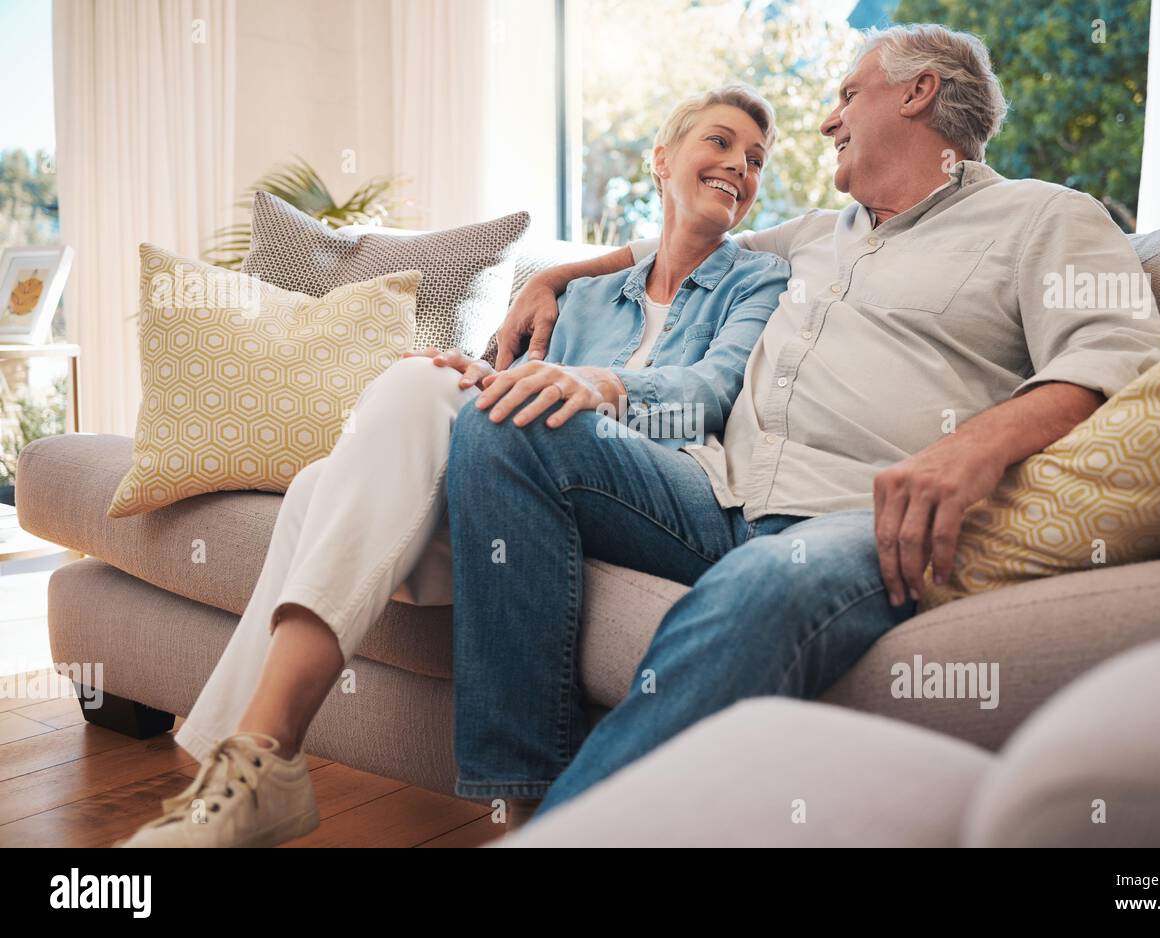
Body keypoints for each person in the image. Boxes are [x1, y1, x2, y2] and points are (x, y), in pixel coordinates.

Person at [453, 22, 1160, 825]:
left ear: (918, 90)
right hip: (712, 498)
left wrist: (975, 443)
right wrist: (548, 277)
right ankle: (521, 792)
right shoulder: (812, 238)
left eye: (846, 96)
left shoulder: (1043, 216)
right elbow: (682, 240)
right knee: (506, 420)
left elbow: (1120, 353)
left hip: (853, 514)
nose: (829, 121)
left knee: (761, 580)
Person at [115, 84, 790, 847]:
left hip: (653, 488)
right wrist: (469, 370)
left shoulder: (758, 278)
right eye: (722, 142)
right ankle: (249, 770)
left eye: (757, 159)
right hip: (530, 499)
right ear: (663, 159)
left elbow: (707, 394)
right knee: (351, 451)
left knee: (391, 450)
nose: (740, 165)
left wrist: (598, 386)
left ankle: (247, 773)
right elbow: (516, 400)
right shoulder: (589, 295)